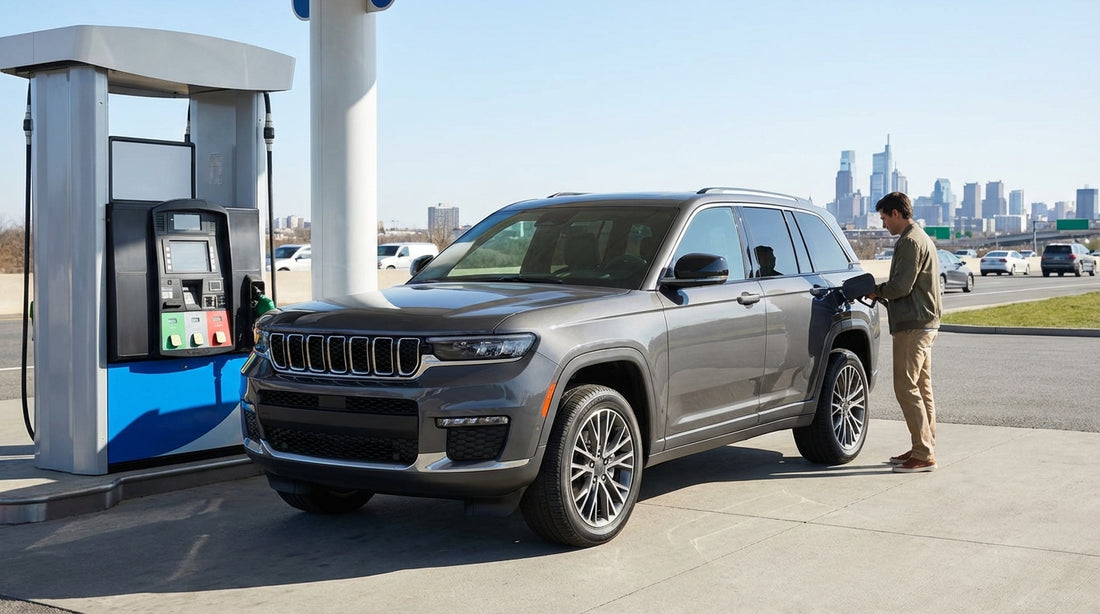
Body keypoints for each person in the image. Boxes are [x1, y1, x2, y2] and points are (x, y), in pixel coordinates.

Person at [868, 192, 942, 473]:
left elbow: (901, 286)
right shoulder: (921, 236)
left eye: (884, 217)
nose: (883, 224)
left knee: (906, 387)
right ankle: (924, 446)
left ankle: (923, 454)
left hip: (913, 326)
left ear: (896, 214)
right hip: (924, 323)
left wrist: (875, 291)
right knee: (922, 388)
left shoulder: (910, 241)